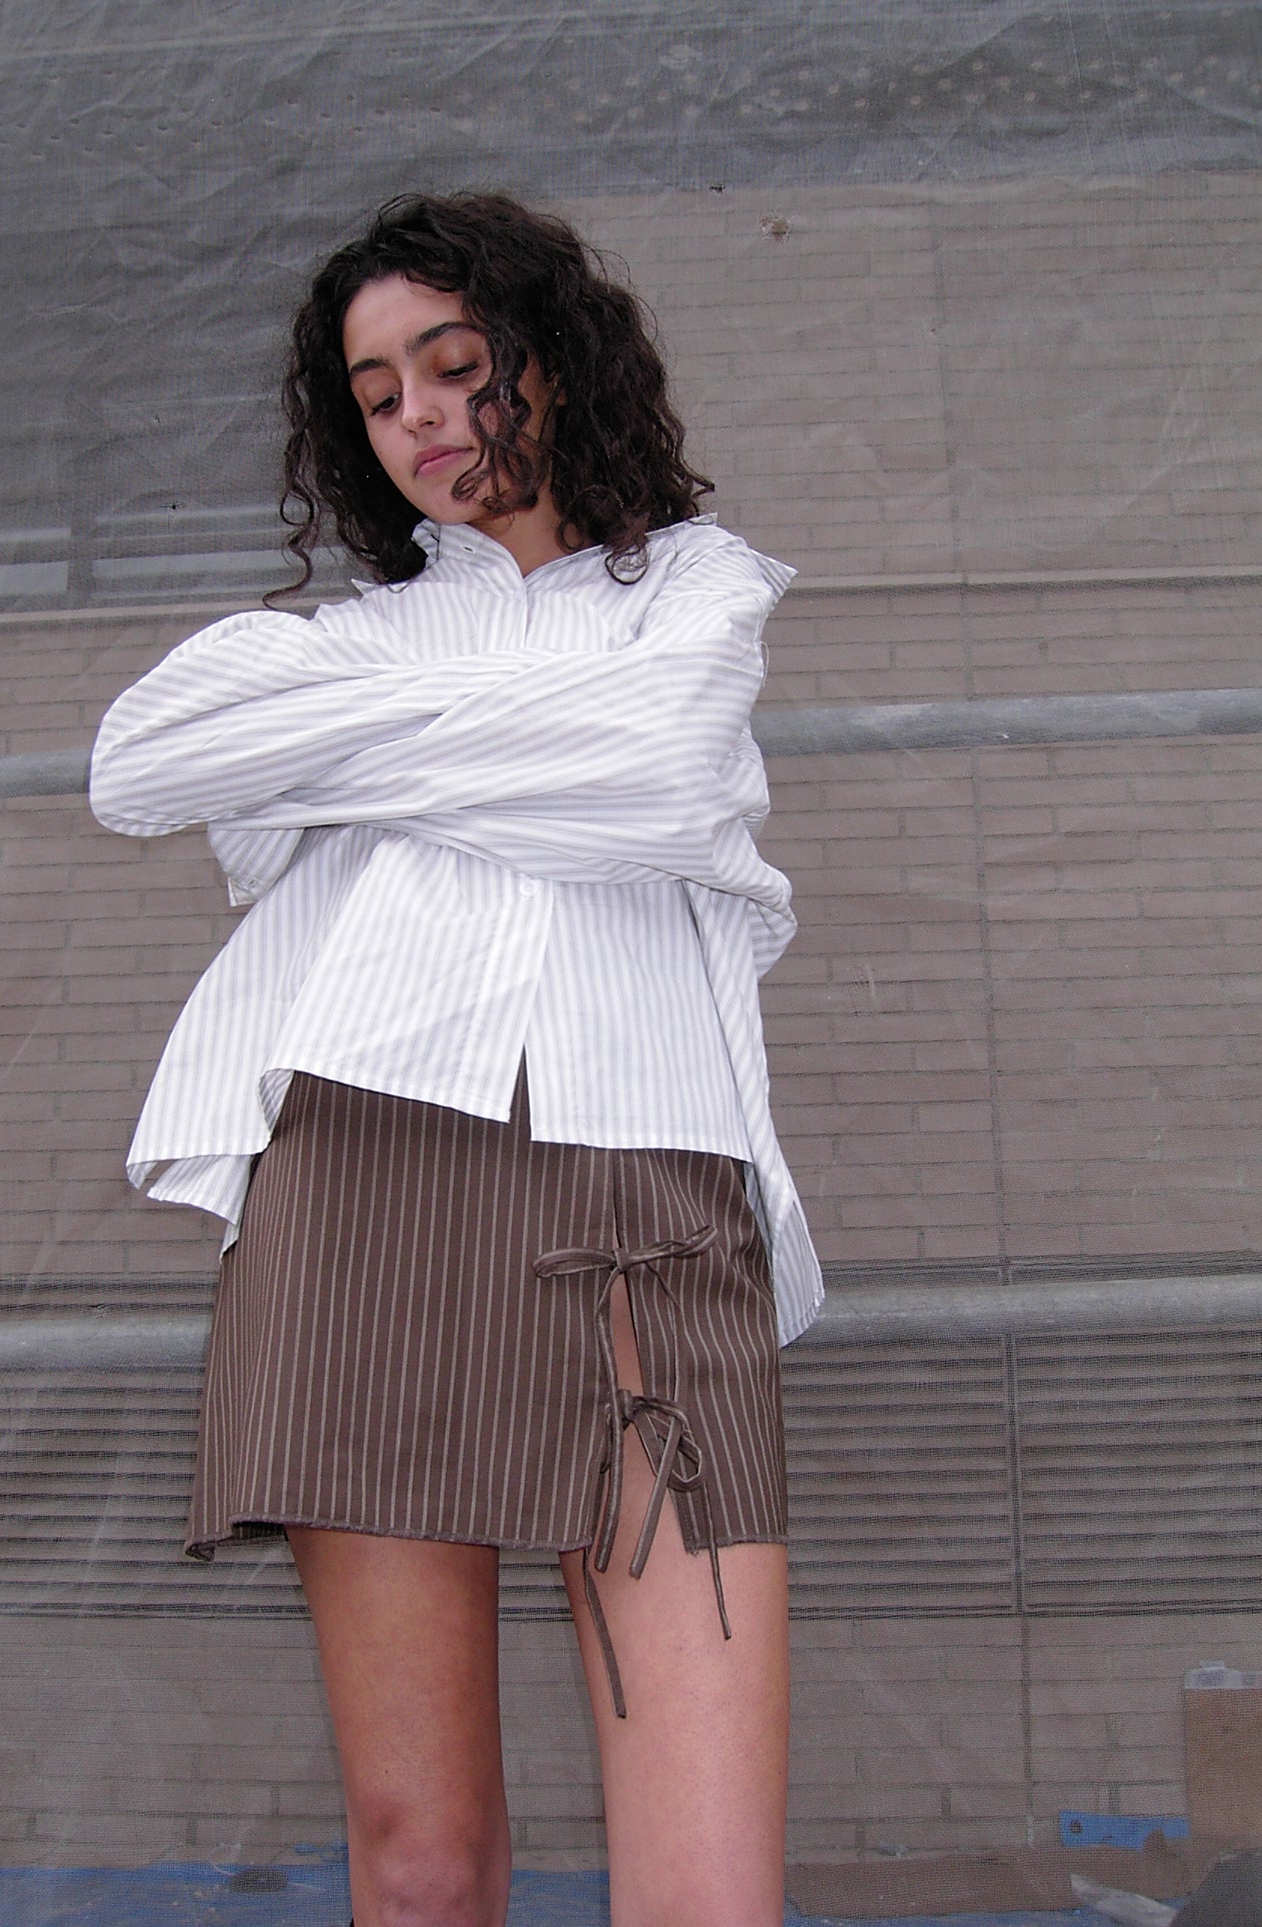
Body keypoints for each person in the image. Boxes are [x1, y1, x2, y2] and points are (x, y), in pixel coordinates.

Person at [90, 192, 822, 1927]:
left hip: (648, 1201)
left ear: (549, 364)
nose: (419, 415)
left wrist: (347, 763)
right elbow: (139, 765)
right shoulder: (340, 634)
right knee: (419, 1872)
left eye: (453, 364)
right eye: (376, 394)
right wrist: (535, 728)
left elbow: (660, 772)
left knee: (710, 1895)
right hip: (361, 1189)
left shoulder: (694, 590)